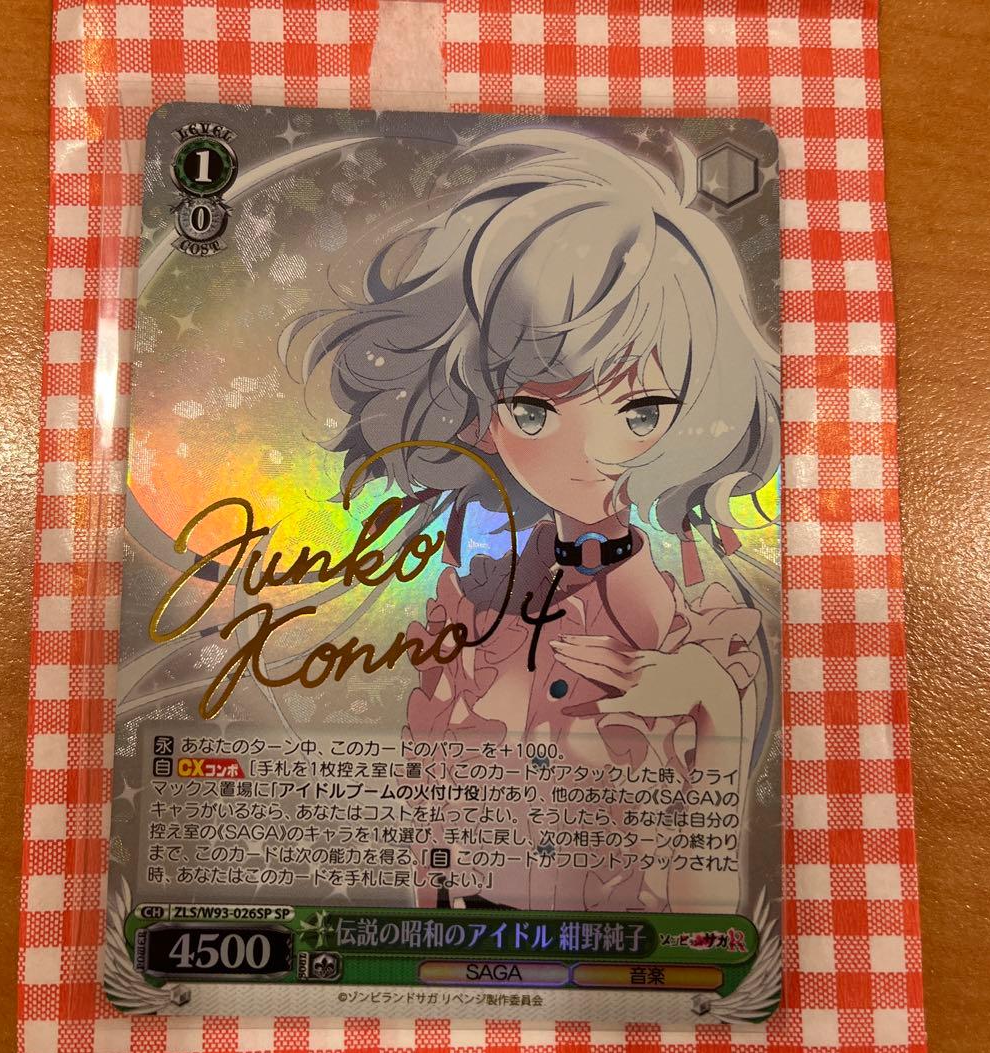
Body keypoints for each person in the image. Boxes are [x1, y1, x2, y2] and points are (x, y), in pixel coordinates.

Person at [286, 125, 780, 914]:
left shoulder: (697, 626)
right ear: (477, 412)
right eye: (533, 411)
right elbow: (433, 849)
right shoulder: (475, 606)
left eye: (639, 412)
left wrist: (713, 705)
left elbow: (709, 917)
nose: (587, 454)